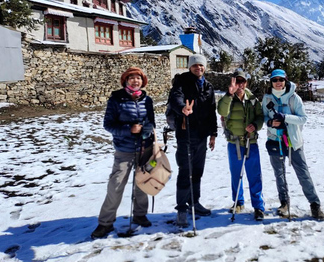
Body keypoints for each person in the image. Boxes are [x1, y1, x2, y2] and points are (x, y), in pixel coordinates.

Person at [91, 67, 155, 239]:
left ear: (143, 82)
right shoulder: (116, 100)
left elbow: (151, 122)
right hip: (124, 150)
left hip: (144, 148)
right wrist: (129, 130)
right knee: (116, 185)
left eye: (138, 78)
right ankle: (105, 223)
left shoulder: (147, 100)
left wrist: (146, 131)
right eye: (132, 78)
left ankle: (140, 215)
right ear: (125, 81)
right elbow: (108, 125)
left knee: (141, 184)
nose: (135, 81)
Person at [262, 69, 324, 221]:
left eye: (281, 80)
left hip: (293, 141)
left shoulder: (294, 98)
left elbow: (303, 119)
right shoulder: (267, 98)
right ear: (271, 82)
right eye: (275, 80)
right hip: (275, 140)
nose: (278, 82)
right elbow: (264, 116)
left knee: (303, 174)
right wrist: (271, 123)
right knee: (279, 174)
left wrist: (285, 118)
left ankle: (315, 205)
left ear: (286, 81)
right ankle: (284, 203)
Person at [167, 54, 218, 227]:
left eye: (201, 66)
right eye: (195, 65)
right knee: (185, 171)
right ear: (190, 67)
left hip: (202, 135)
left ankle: (194, 203)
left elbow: (212, 112)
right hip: (186, 133)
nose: (199, 68)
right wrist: (183, 108)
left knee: (197, 171)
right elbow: (175, 98)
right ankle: (181, 208)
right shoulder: (181, 82)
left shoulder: (208, 87)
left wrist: (213, 134)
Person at [217, 70, 265, 221]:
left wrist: (255, 125)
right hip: (235, 143)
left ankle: (258, 206)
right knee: (236, 174)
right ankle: (238, 202)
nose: (240, 85)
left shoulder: (252, 99)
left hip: (251, 142)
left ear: (246, 83)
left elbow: (260, 116)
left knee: (254, 175)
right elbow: (221, 111)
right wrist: (229, 94)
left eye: (242, 81)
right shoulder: (228, 98)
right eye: (237, 81)